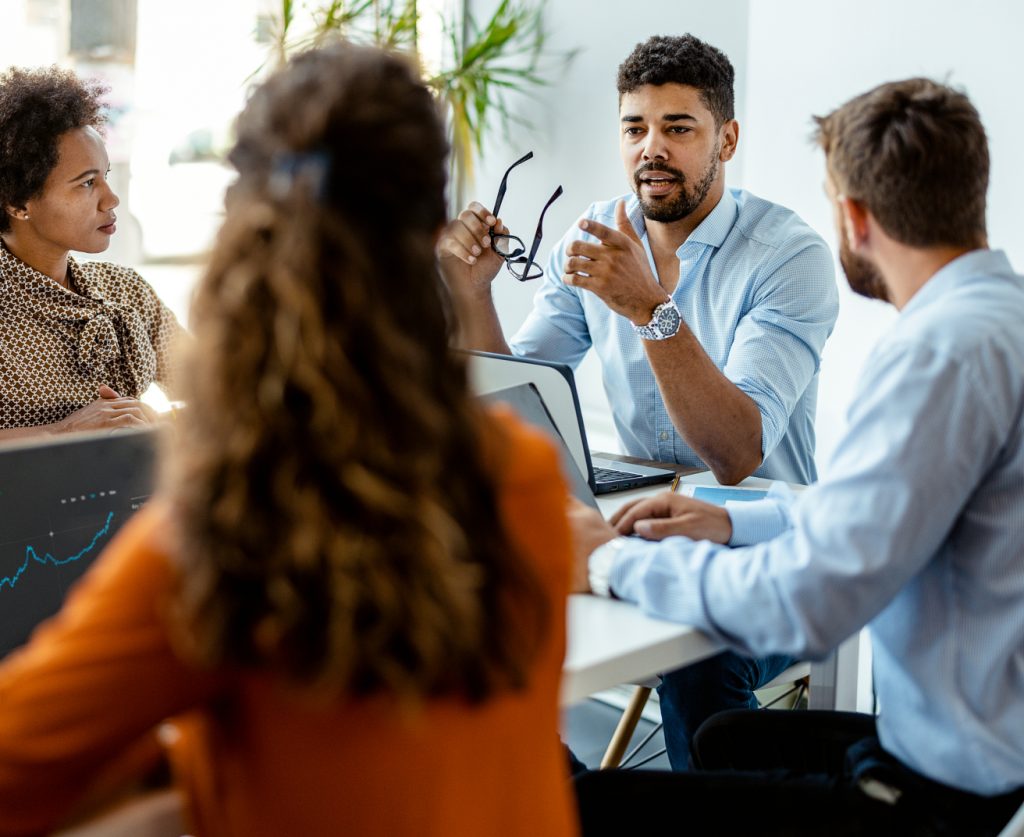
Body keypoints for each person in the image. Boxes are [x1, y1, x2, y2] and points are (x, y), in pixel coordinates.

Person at [0, 45, 578, 837]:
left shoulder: (220, 537)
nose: (108, 196)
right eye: (84, 180)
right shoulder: (526, 474)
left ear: (245, 236)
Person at [569, 77, 1024, 835]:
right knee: (723, 739)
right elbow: (878, 511)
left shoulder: (941, 354)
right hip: (989, 751)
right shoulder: (997, 317)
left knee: (581, 802)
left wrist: (607, 563)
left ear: (854, 216)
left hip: (931, 793)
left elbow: (807, 603)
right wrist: (729, 523)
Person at [440, 32, 839, 770]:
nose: (651, 148)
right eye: (635, 128)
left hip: (768, 541)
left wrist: (651, 309)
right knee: (473, 600)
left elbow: (737, 450)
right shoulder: (593, 237)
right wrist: (474, 294)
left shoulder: (790, 256)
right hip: (637, 524)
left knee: (698, 662)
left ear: (727, 138)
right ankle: (555, 789)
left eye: (678, 128)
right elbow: (518, 396)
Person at [0, 66, 184, 439]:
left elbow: (219, 392)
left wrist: (158, 423)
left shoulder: (125, 290)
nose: (111, 198)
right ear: (18, 202)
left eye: (105, 175)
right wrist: (59, 433)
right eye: (86, 183)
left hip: (135, 494)